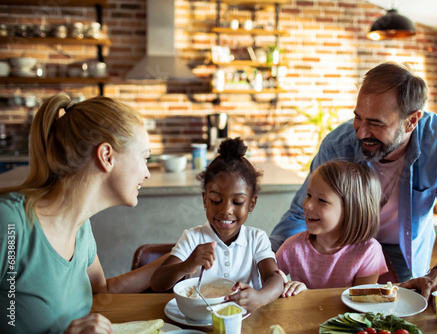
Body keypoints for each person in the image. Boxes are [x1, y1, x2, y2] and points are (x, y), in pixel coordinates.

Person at [270, 62, 437, 301]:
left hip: (403, 251)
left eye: (375, 123)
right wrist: (265, 261)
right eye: (358, 117)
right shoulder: (338, 145)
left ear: (411, 121)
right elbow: (300, 213)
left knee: (401, 312)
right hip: (344, 245)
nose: (361, 132)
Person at [0, 93, 169, 334]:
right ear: (107, 156)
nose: (147, 172)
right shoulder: (9, 223)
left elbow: (101, 292)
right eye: (144, 157)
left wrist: (175, 259)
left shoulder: (80, 228)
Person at [151, 137, 283, 313]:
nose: (226, 210)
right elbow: (157, 282)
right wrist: (187, 265)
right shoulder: (192, 238)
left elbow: (275, 279)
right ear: (205, 199)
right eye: (216, 200)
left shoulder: (256, 239)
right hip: (199, 322)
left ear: (251, 204)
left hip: (243, 322)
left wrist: (260, 298)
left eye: (237, 202)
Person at [276, 160, 388, 297]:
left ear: (352, 209)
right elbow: (267, 282)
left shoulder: (368, 251)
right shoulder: (292, 246)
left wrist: (307, 295)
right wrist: (285, 287)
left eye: (322, 200)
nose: (307, 205)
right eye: (309, 195)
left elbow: (362, 303)